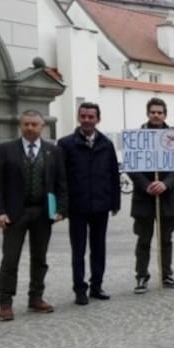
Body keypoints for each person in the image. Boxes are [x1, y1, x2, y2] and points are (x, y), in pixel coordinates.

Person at [0, 110, 68, 321]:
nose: (30, 128)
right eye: (26, 124)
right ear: (20, 125)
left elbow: (61, 183)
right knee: (10, 259)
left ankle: (36, 297)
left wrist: (61, 209)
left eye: (34, 124)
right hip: (15, 213)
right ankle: (5, 302)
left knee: (40, 258)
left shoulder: (53, 151)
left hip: (42, 213)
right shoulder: (6, 150)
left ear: (42, 127)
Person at [58, 102, 120, 306]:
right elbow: (61, 178)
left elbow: (113, 175)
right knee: (78, 250)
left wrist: (115, 202)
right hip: (77, 206)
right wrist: (62, 206)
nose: (86, 120)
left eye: (90, 117)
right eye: (83, 116)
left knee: (99, 248)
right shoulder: (66, 144)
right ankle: (79, 289)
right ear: (78, 117)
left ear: (97, 119)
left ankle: (96, 286)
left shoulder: (106, 143)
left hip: (101, 204)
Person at [128, 98, 174, 293]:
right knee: (143, 240)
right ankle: (141, 276)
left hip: (166, 198)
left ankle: (166, 274)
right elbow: (132, 167)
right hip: (144, 198)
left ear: (165, 114)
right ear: (147, 113)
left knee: (166, 240)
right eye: (153, 112)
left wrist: (165, 184)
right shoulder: (137, 137)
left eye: (160, 112)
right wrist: (147, 185)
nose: (156, 115)